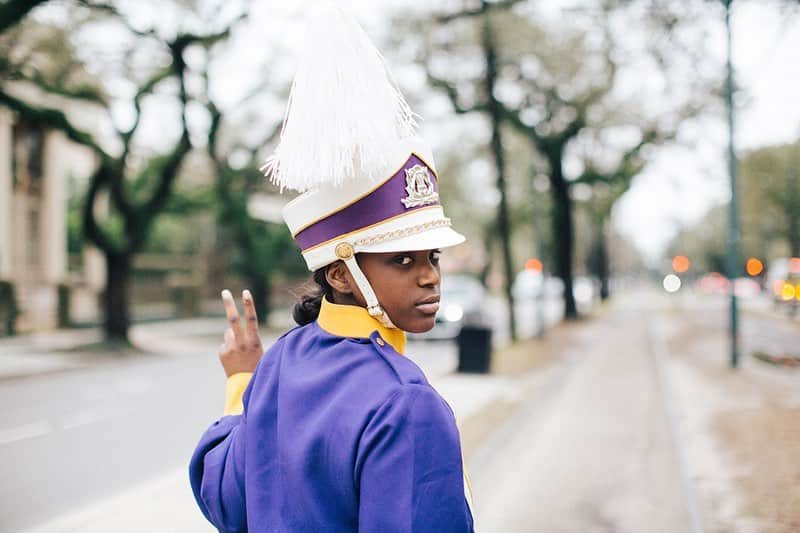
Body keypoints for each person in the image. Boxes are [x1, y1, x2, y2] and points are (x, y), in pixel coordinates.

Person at [189, 5, 474, 532]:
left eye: (433, 256)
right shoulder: (407, 403)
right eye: (402, 259)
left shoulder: (280, 363)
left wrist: (241, 382)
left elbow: (227, 502)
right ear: (340, 274)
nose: (430, 275)